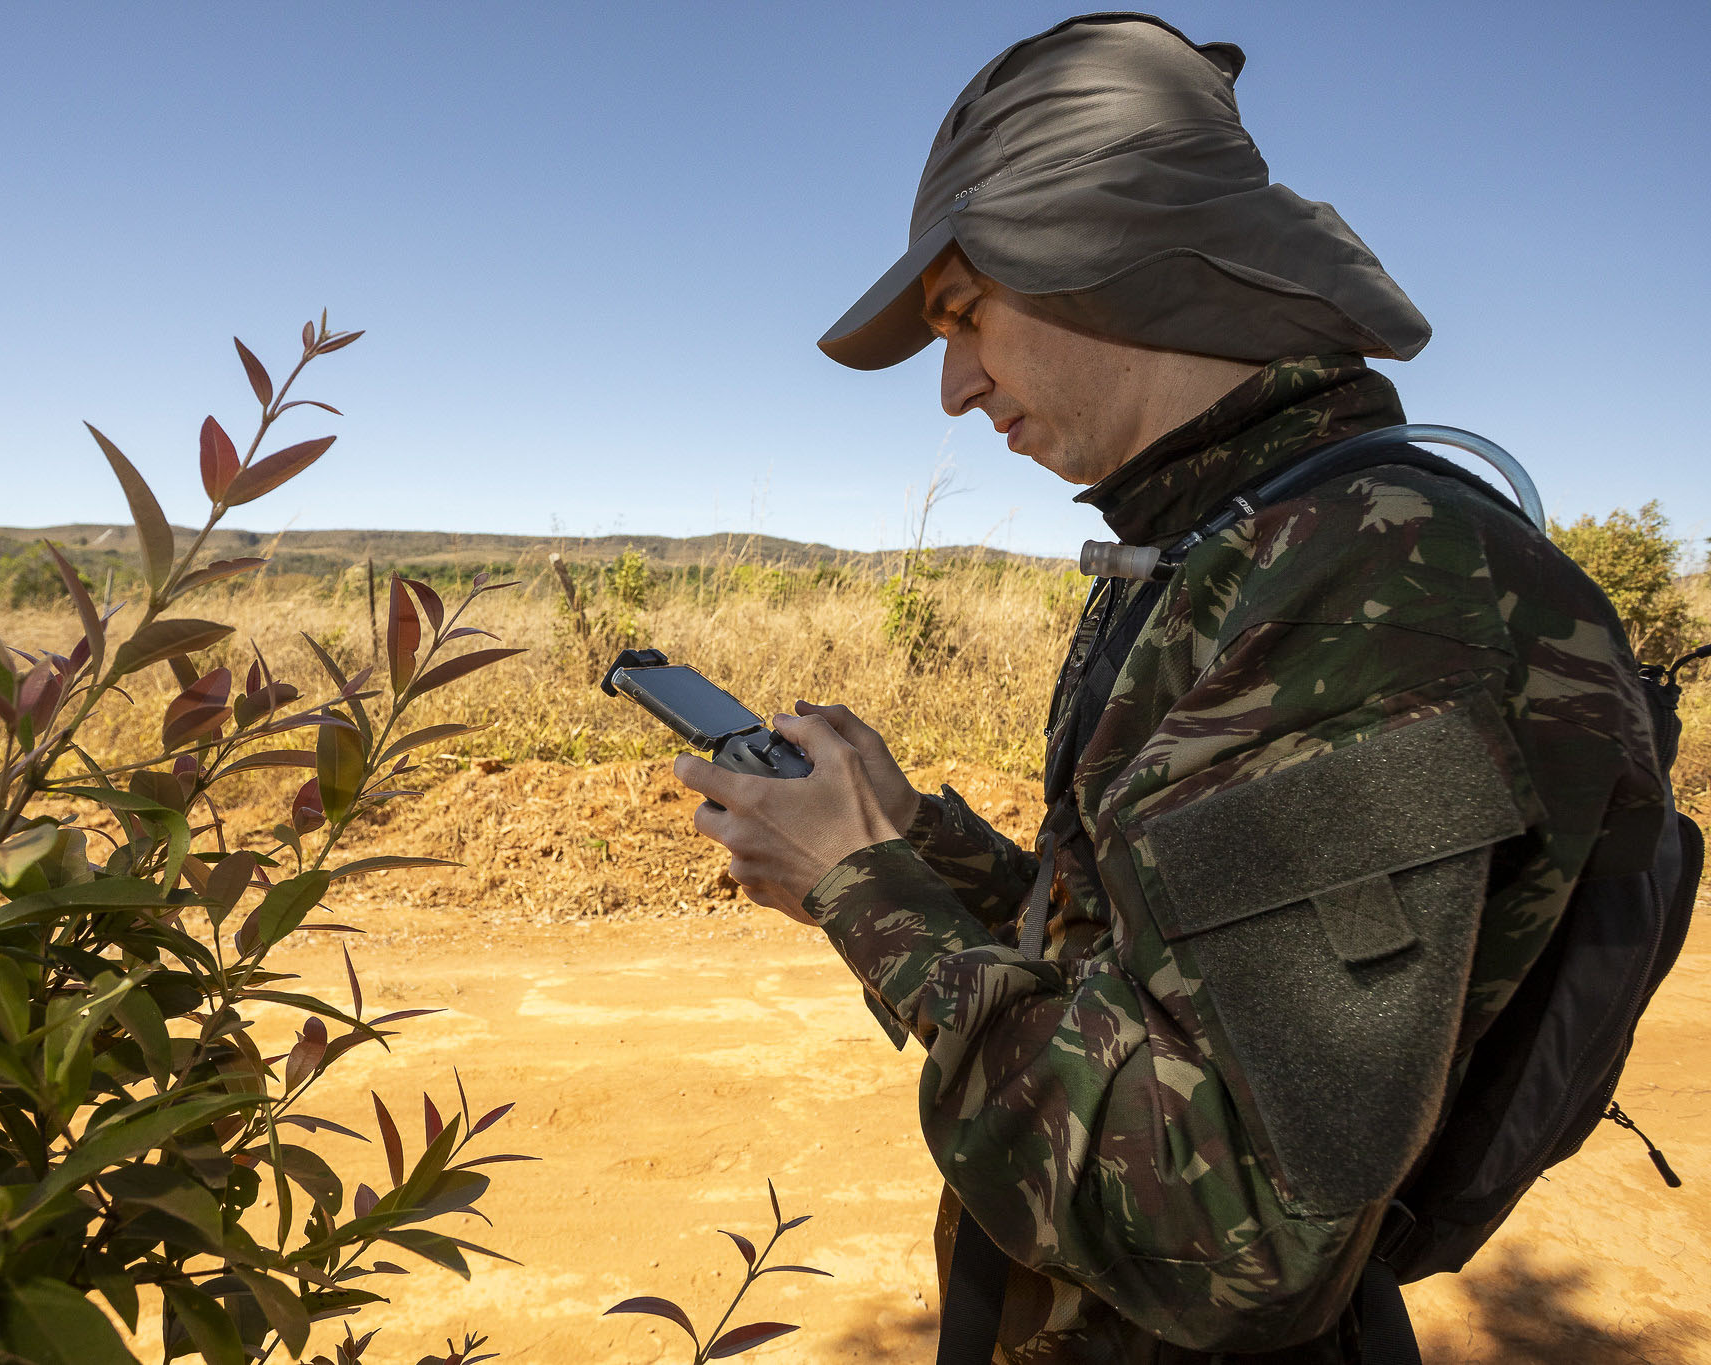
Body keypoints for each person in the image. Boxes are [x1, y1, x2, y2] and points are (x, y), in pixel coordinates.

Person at [671, 14, 1662, 1363]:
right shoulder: (1231, 544)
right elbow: (1143, 971)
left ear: (1105, 255)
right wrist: (913, 845)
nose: (954, 387)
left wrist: (865, 891)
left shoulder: (1366, 586)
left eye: (965, 314)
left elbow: (1243, 1234)